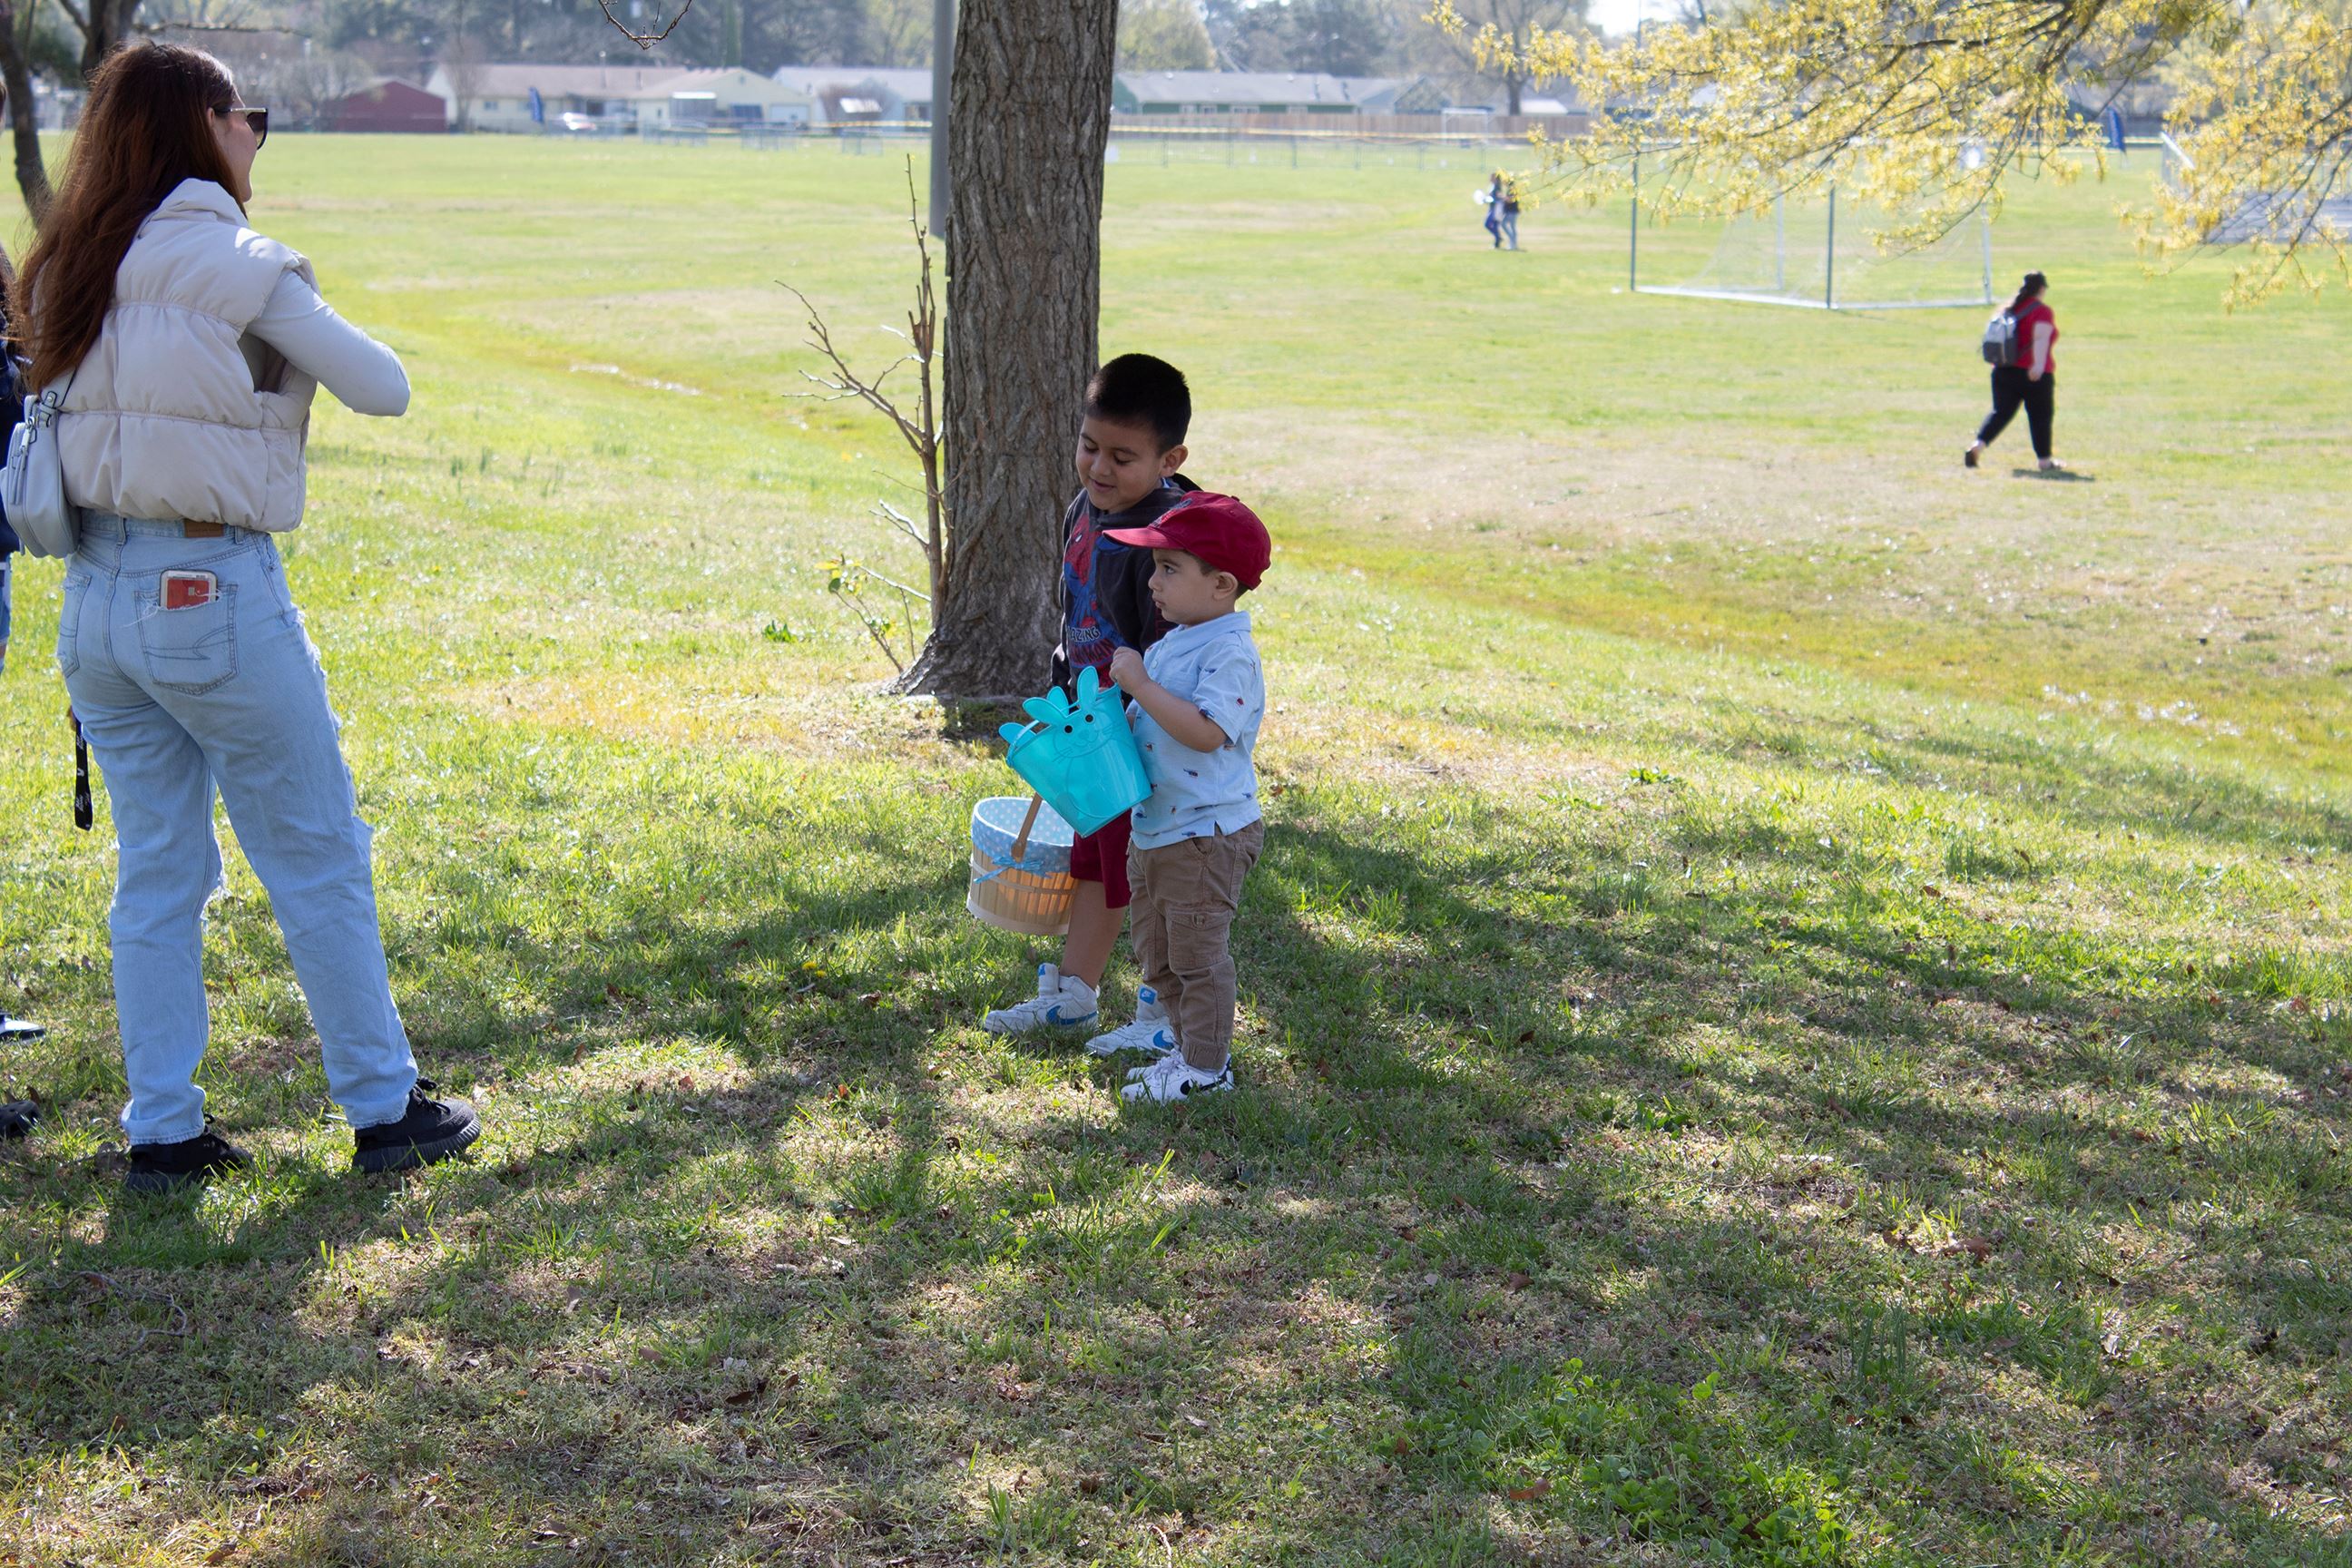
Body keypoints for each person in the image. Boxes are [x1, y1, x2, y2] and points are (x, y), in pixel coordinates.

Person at [11, 42, 478, 1192]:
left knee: (156, 870)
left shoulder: (69, 262)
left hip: (96, 603)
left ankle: (163, 1130)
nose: (258, 135)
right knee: (316, 855)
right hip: (211, 591)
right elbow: (385, 385)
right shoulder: (243, 266)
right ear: (203, 129)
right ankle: (383, 1106)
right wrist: (276, 348)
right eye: (247, 115)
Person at [979, 355, 1199, 1046]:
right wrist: (1064, 680)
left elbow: (1175, 650)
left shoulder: (1169, 540)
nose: (1100, 468)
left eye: (1123, 457)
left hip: (1145, 738)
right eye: (1090, 447)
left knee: (1157, 874)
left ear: (1170, 459)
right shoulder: (1085, 508)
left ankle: (1166, 1013)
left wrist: (1139, 715)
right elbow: (1077, 608)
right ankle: (1076, 994)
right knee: (1096, 862)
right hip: (1091, 730)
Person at [1102, 495, 1271, 1103]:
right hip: (1158, 828)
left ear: (1222, 585)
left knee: (1197, 955)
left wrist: (1141, 685)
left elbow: (1204, 731)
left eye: (1170, 568)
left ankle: (1207, 1069)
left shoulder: (1228, 653)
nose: (1153, 582)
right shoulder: (1179, 638)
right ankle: (1183, 1048)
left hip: (1205, 836)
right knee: (1159, 954)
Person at [1965, 270, 2061, 472]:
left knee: (2000, 412)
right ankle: (2044, 461)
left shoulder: (2008, 309)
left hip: (2003, 370)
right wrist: (2038, 365)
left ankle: (1977, 446)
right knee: (2040, 415)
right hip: (2033, 372)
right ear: (2042, 289)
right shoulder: (2041, 311)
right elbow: (2041, 338)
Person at [1498, 177, 1522, 251]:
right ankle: (1512, 243)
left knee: (1507, 225)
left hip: (1512, 211)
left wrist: (1502, 197)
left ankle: (1513, 243)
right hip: (1510, 211)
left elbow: (1510, 200)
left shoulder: (1512, 190)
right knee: (1510, 226)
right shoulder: (1511, 189)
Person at [1485, 173, 1505, 249]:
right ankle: (1497, 242)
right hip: (1493, 207)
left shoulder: (1497, 186)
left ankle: (1498, 238)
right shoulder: (1493, 186)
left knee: (1487, 224)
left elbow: (1498, 197)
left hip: (1496, 209)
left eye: (1491, 177)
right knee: (1495, 226)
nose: (1489, 178)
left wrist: (1490, 199)